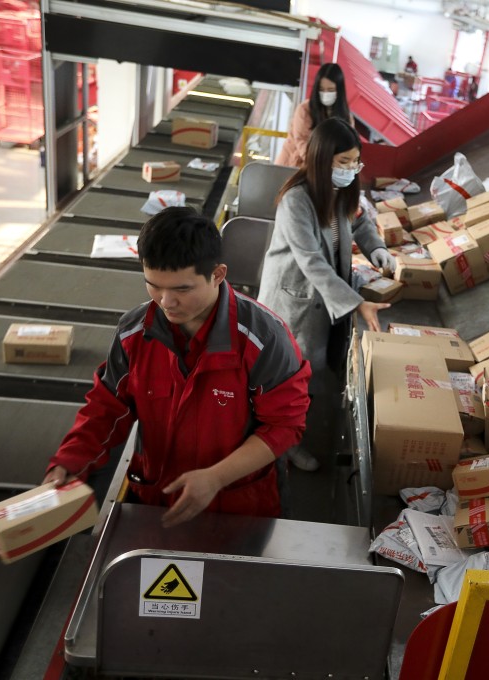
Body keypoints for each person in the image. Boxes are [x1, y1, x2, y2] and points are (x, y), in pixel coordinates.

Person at [43, 207, 311, 526]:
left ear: (218, 274)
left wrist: (215, 477)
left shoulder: (263, 339)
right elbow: (107, 407)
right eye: (154, 285)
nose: (166, 302)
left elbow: (284, 425)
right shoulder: (135, 333)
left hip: (238, 505)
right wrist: (69, 462)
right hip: (155, 499)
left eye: (182, 289)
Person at [258, 117, 397, 472]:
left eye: (355, 162)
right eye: (343, 162)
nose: (351, 170)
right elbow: (311, 261)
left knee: (313, 375)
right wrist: (357, 303)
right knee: (290, 378)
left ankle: (290, 436)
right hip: (296, 300)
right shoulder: (297, 200)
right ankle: (281, 445)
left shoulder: (341, 191)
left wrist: (376, 249)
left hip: (328, 294)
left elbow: (361, 222)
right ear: (323, 160)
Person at [276, 63, 352, 168]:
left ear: (339, 91)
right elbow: (302, 142)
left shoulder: (347, 117)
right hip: (293, 166)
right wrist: (322, 167)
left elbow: (349, 147)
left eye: (330, 90)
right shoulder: (304, 109)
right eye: (321, 89)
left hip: (323, 171)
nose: (325, 93)